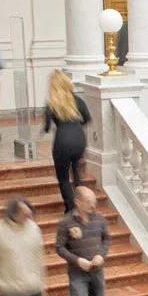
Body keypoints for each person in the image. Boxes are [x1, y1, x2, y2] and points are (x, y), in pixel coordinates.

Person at [56, 187, 109, 296]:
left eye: (94, 202)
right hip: (77, 273)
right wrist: (76, 260)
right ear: (77, 202)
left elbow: (106, 239)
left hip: (96, 271)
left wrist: (101, 254)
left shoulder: (100, 219)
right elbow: (59, 247)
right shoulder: (66, 223)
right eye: (89, 203)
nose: (93, 206)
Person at [44, 71, 92, 213]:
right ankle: (85, 203)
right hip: (79, 139)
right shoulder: (77, 100)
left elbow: (46, 127)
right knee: (76, 170)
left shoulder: (52, 104)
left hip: (62, 141)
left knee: (63, 178)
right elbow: (87, 119)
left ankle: (72, 209)